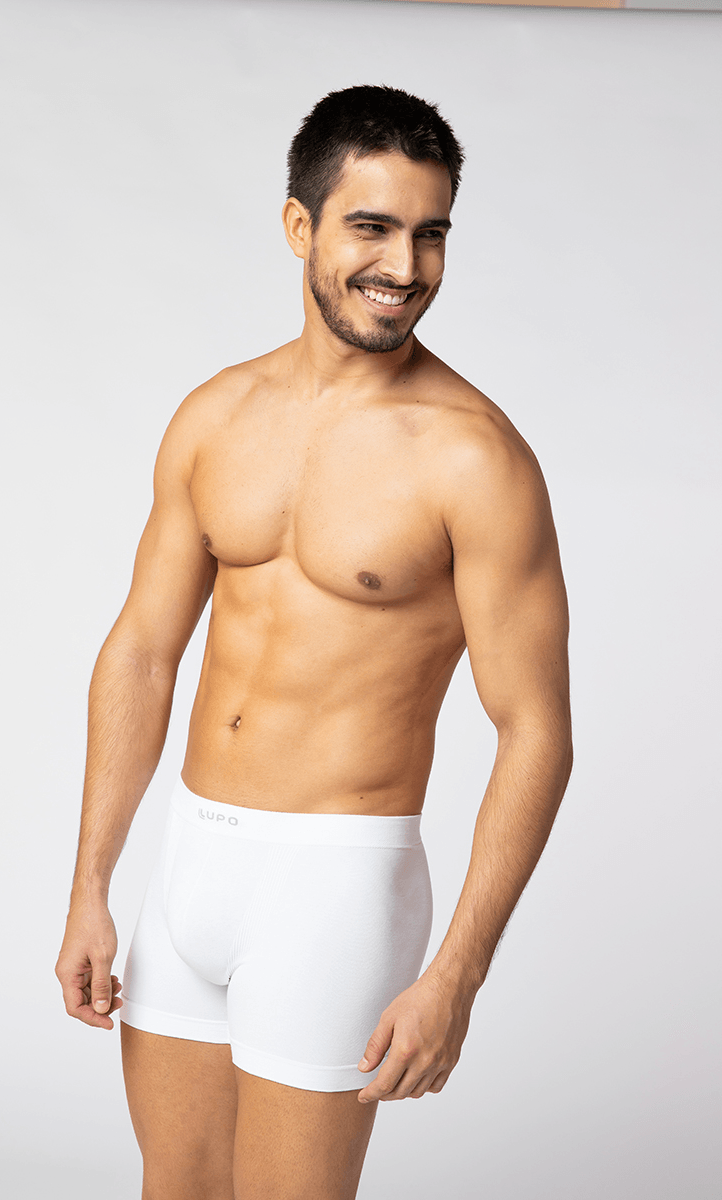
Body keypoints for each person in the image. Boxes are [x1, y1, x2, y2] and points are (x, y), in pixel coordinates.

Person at [56, 84, 572, 1200]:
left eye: (430, 233)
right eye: (372, 227)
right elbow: (142, 651)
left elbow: (534, 728)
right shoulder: (215, 416)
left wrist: (457, 975)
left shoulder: (474, 458)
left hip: (335, 886)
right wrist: (90, 882)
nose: (404, 265)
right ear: (301, 226)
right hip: (191, 863)